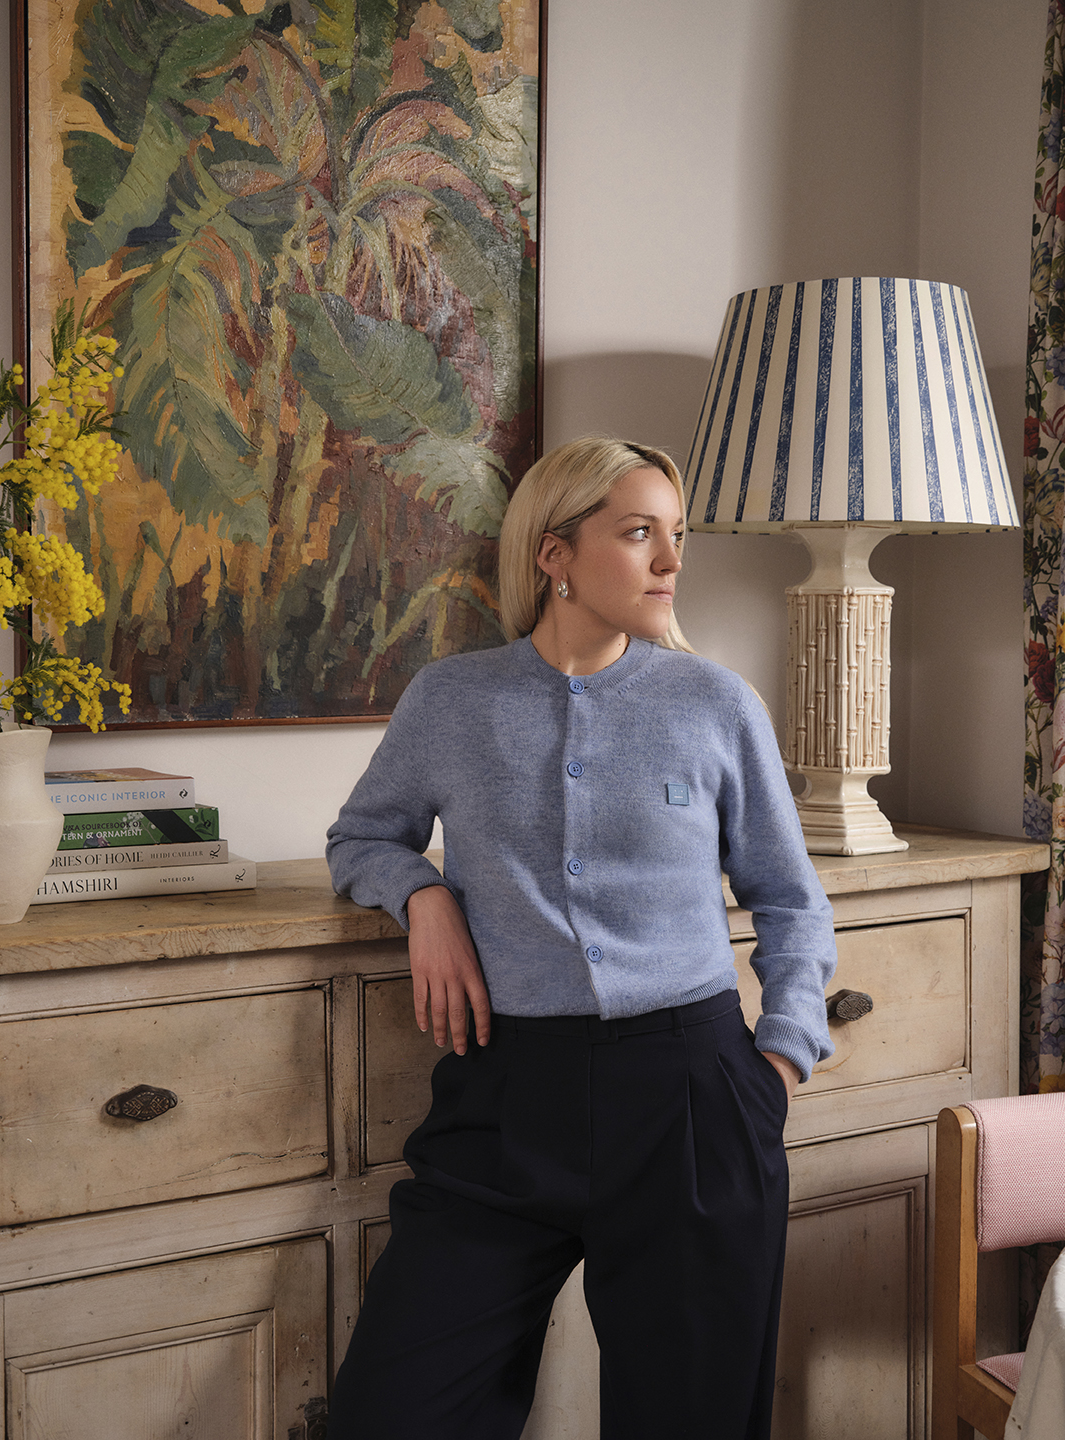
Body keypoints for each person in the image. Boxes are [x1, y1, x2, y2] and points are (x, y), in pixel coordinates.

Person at [325, 436, 837, 1440]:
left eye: (675, 536)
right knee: (393, 1408)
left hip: (690, 1100)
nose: (670, 561)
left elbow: (788, 897)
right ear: (553, 554)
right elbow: (360, 837)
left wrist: (780, 1056)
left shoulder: (715, 706)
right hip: (503, 1100)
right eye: (639, 532)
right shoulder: (453, 701)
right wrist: (424, 898)